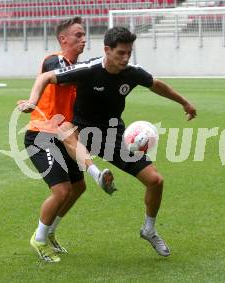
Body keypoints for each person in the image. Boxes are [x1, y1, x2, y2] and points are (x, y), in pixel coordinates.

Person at [18, 26, 197, 257]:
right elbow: (45, 76)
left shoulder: (132, 73)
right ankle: (95, 176)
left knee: (156, 180)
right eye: (120, 53)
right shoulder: (88, 69)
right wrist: (33, 101)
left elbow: (156, 84)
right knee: (65, 134)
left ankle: (149, 230)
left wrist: (184, 103)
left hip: (112, 136)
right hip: (81, 132)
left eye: (128, 53)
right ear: (107, 50)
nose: (125, 58)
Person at [17, 17, 116, 263]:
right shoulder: (55, 60)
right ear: (64, 40)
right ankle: (38, 238)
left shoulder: (78, 68)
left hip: (65, 135)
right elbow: (53, 77)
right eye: (78, 35)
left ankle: (49, 231)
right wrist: (32, 101)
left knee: (78, 187)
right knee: (61, 191)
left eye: (84, 35)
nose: (84, 39)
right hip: (41, 135)